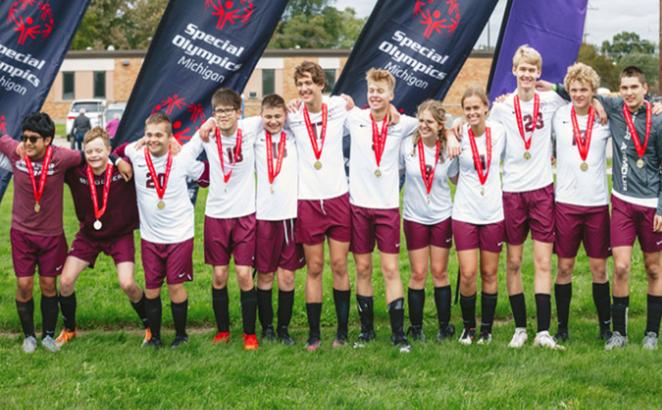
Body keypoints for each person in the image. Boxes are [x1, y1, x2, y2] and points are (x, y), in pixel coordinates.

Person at [488, 45, 566, 349]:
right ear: (514, 71)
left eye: (532, 70)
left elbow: (581, 93)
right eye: (522, 69)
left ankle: (543, 332)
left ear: (539, 73)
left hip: (543, 190)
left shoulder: (550, 100)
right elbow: (481, 128)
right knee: (515, 262)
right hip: (512, 192)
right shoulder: (502, 106)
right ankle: (520, 328)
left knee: (543, 262)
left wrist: (553, 86)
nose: (527, 75)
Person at [55, 127, 149, 347]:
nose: (94, 156)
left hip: (119, 235)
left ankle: (149, 326)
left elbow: (133, 147)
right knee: (66, 281)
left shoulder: (124, 168)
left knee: (127, 284)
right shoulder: (76, 171)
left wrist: (117, 160)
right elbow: (55, 154)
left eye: (99, 150)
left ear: (108, 150)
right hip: (88, 236)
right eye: (89, 152)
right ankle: (69, 330)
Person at [346, 69, 418, 351]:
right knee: (362, 268)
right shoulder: (354, 117)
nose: (375, 96)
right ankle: (366, 332)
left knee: (390, 269)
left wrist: (449, 134)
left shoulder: (405, 123)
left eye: (380, 91)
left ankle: (399, 334)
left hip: (387, 207)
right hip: (359, 206)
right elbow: (321, 106)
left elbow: (435, 122)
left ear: (391, 95)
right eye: (371, 91)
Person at [122, 112, 208, 348]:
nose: (153, 139)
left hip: (179, 235)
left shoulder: (182, 157)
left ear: (170, 137)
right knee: (151, 287)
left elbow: (207, 170)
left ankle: (181, 335)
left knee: (175, 285)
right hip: (150, 236)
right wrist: (120, 160)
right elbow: (117, 151)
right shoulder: (136, 152)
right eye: (149, 134)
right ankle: (155, 337)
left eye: (159, 135)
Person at [0, 113, 84, 353]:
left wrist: (118, 160)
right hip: (22, 234)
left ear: (47, 140)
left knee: (49, 285)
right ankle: (28, 336)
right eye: (24, 138)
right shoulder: (15, 151)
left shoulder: (62, 157)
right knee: (24, 285)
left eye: (33, 139)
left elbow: (89, 156)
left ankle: (47, 335)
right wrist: (13, 143)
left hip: (51, 236)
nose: (27, 143)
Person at [188, 88, 261, 350]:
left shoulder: (252, 127)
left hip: (244, 215)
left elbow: (282, 114)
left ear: (238, 112)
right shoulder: (208, 134)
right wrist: (202, 174)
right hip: (216, 215)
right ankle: (222, 331)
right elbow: (184, 158)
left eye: (228, 111)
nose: (223, 116)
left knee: (243, 274)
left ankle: (249, 334)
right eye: (218, 112)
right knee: (219, 275)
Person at [287, 61, 352, 350]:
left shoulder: (338, 107)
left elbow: (370, 114)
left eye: (308, 83)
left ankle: (342, 332)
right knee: (314, 267)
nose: (304, 89)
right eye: (299, 84)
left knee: (339, 265)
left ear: (320, 85)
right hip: (308, 201)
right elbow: (264, 121)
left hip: (337, 197)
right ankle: (314, 334)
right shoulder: (292, 116)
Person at [550, 63, 611, 342]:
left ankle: (605, 326)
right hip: (566, 204)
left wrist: (600, 102)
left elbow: (622, 99)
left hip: (597, 205)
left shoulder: (604, 117)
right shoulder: (558, 115)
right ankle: (562, 327)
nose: (578, 94)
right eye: (573, 90)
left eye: (584, 90)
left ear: (592, 91)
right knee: (565, 267)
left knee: (599, 269)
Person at [452, 86, 507, 345]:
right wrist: (452, 131)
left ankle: (486, 329)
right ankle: (468, 328)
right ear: (463, 112)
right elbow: (452, 174)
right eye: (468, 109)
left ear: (486, 107)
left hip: (493, 213)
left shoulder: (499, 132)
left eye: (477, 107)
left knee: (489, 273)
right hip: (464, 212)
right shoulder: (458, 134)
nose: (473, 112)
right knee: (468, 273)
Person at [400, 100, 456, 343]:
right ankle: (416, 327)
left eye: (429, 122)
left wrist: (453, 136)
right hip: (415, 217)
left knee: (440, 272)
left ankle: (444, 327)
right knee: (418, 273)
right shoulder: (406, 147)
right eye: (421, 120)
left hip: (442, 216)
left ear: (440, 125)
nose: (423, 125)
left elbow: (457, 180)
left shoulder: (449, 150)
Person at [252, 94, 304, 345]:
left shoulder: (294, 136)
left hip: (290, 217)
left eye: (278, 116)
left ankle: (284, 329)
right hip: (264, 216)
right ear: (261, 116)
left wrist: (293, 106)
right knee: (265, 275)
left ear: (285, 116)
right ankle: (267, 328)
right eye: (268, 116)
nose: (273, 121)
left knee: (287, 277)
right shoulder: (255, 137)